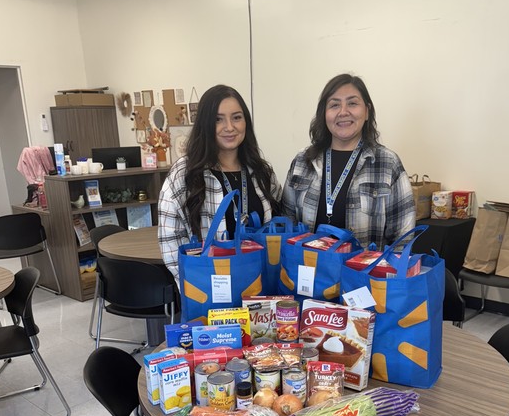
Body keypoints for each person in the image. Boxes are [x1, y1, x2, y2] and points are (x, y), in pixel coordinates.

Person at [159, 84, 281, 280]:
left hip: (260, 285)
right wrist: (196, 286)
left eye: (236, 117)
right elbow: (170, 242)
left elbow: (276, 225)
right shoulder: (184, 173)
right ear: (205, 124)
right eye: (218, 119)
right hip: (210, 289)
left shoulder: (261, 171)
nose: (230, 127)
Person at [281, 73, 415, 248]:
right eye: (334, 105)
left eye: (352, 103)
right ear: (324, 114)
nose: (343, 112)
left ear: (366, 112)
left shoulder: (387, 163)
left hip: (364, 273)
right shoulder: (303, 162)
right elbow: (286, 224)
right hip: (309, 270)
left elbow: (403, 239)